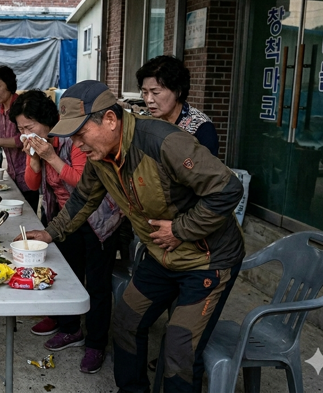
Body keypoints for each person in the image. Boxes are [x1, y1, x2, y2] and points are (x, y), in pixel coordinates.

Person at [21, 80, 245, 392]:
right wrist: (48, 233)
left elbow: (228, 189)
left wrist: (181, 230)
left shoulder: (162, 142)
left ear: (110, 120)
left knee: (179, 348)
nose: (78, 145)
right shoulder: (101, 157)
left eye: (81, 134)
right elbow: (82, 199)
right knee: (126, 323)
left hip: (207, 258)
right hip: (161, 254)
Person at [11, 90, 123, 373]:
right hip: (64, 218)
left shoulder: (75, 140)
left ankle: (96, 344)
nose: (25, 133)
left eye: (29, 127)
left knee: (96, 285)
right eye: (21, 129)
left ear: (47, 121)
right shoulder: (40, 145)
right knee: (66, 276)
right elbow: (33, 185)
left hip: (98, 219)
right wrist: (35, 160)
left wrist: (50, 156)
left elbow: (82, 184)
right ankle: (70, 327)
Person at [0, 65, 39, 212]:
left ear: (9, 85)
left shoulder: (21, 106)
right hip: (11, 175)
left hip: (28, 172)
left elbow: (23, 139)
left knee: (28, 215)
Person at [136, 55, 219, 156]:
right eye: (145, 92)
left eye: (156, 92)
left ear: (178, 91)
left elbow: (208, 169)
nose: (149, 100)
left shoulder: (200, 128)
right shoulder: (146, 121)